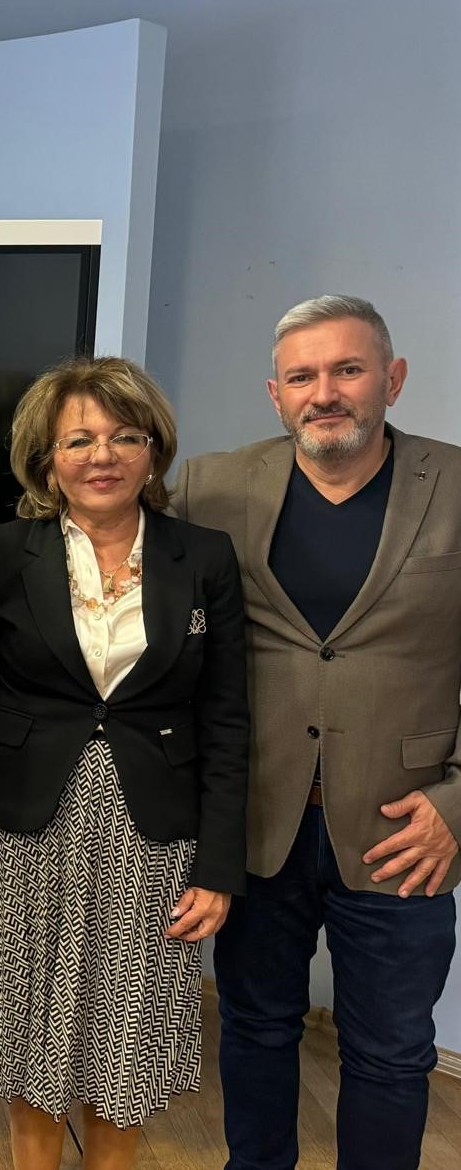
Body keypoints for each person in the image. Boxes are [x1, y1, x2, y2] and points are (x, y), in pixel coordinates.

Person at [0, 355, 249, 1169]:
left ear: (153, 450)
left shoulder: (204, 557)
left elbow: (225, 719)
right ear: (47, 461)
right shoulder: (2, 550)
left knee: (126, 1040)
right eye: (78, 440)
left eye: (123, 436)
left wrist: (219, 866)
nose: (101, 455)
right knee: (25, 1039)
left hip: (152, 837)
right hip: (15, 830)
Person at [170, 295, 461, 1170]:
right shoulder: (210, 488)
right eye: (302, 376)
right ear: (276, 393)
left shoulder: (455, 485)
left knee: (391, 1052)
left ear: (393, 379)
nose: (324, 392)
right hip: (258, 817)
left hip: (405, 828)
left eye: (348, 369)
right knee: (255, 1025)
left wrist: (460, 803)